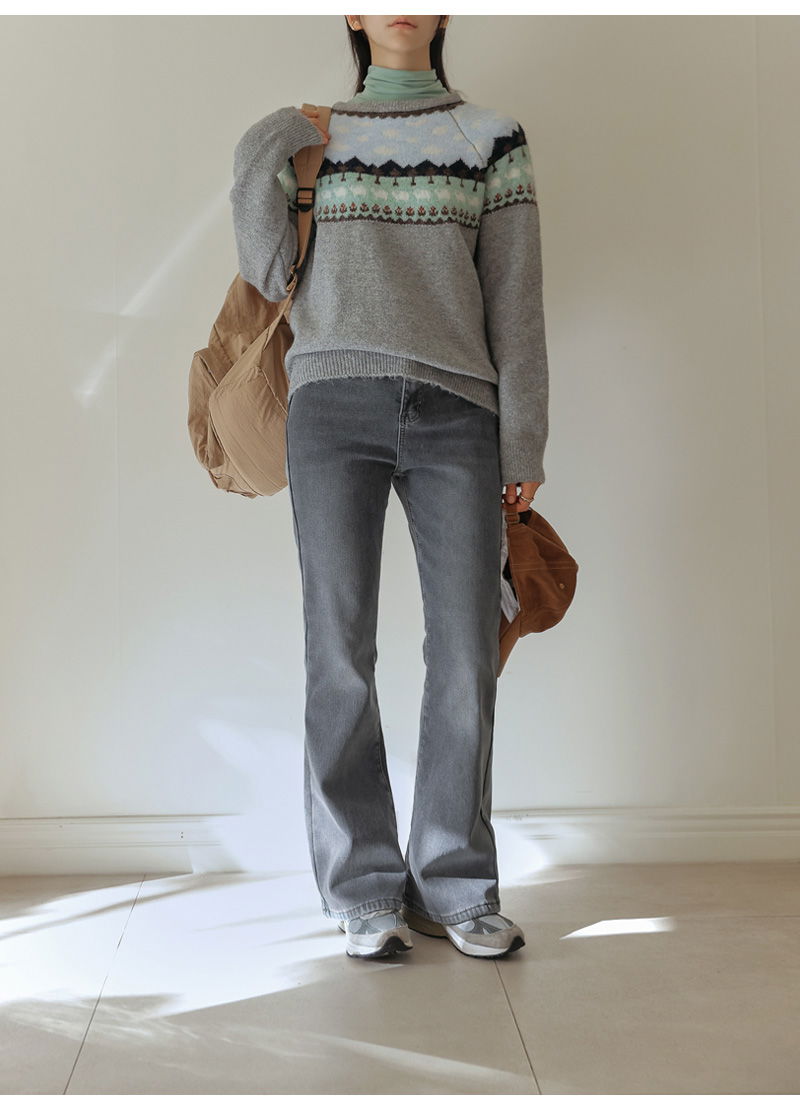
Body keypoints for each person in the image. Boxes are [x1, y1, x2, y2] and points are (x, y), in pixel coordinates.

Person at [229, 14, 549, 960]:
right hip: (332, 409)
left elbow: (516, 301)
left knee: (466, 652)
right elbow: (267, 270)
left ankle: (455, 885)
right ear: (353, 15)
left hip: (461, 415)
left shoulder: (491, 139)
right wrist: (269, 143)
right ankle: (364, 891)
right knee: (340, 650)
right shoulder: (311, 138)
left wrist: (524, 439)